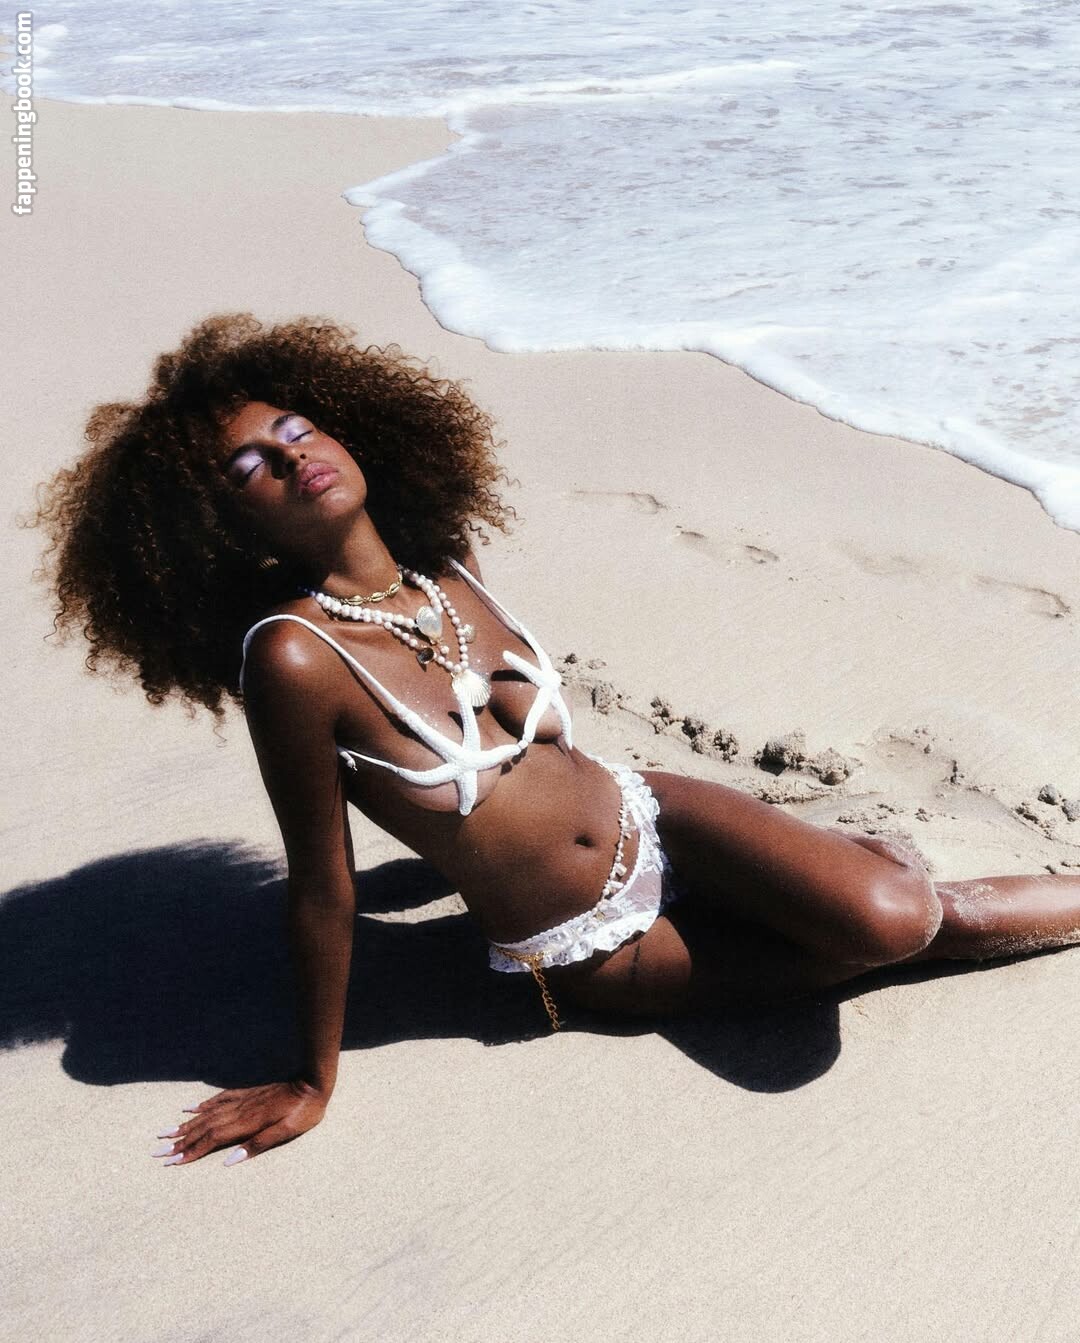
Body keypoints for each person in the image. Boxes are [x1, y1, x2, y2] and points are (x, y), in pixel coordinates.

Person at [36, 313, 1080, 1169]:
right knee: (911, 937)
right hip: (591, 946)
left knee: (896, 915)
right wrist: (313, 1075)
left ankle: (849, 866)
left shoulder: (449, 562)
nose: (291, 454)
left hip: (653, 810)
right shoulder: (294, 658)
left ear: (346, 426)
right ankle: (850, 861)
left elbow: (491, 787)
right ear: (225, 529)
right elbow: (324, 883)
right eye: (248, 467)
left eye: (296, 427)